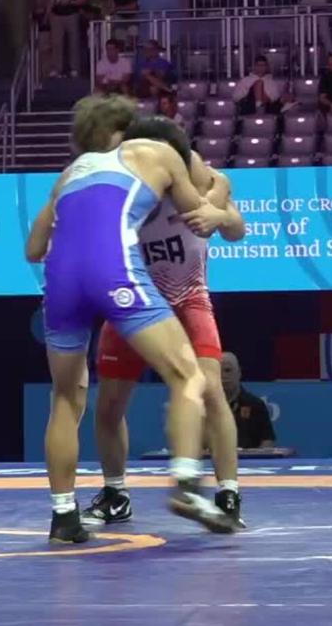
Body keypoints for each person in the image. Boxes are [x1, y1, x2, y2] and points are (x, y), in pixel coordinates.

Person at [25, 97, 237, 543]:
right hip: (113, 271)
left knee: (65, 399)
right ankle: (186, 483)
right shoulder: (154, 151)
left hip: (60, 280)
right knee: (187, 376)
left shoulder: (68, 175)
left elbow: (33, 249)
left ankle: (63, 516)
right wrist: (220, 188)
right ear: (124, 131)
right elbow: (197, 214)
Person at [84, 151, 248, 530]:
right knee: (108, 405)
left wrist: (221, 214)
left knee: (211, 391)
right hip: (135, 302)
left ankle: (228, 494)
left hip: (188, 300)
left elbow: (236, 229)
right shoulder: (122, 187)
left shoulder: (197, 181)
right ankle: (115, 495)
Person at [220, 352, 276, 449]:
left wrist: (256, 457)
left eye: (228, 370)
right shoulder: (204, 406)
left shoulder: (255, 404)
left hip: (247, 457)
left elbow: (268, 440)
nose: (223, 375)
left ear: (239, 373)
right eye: (218, 371)